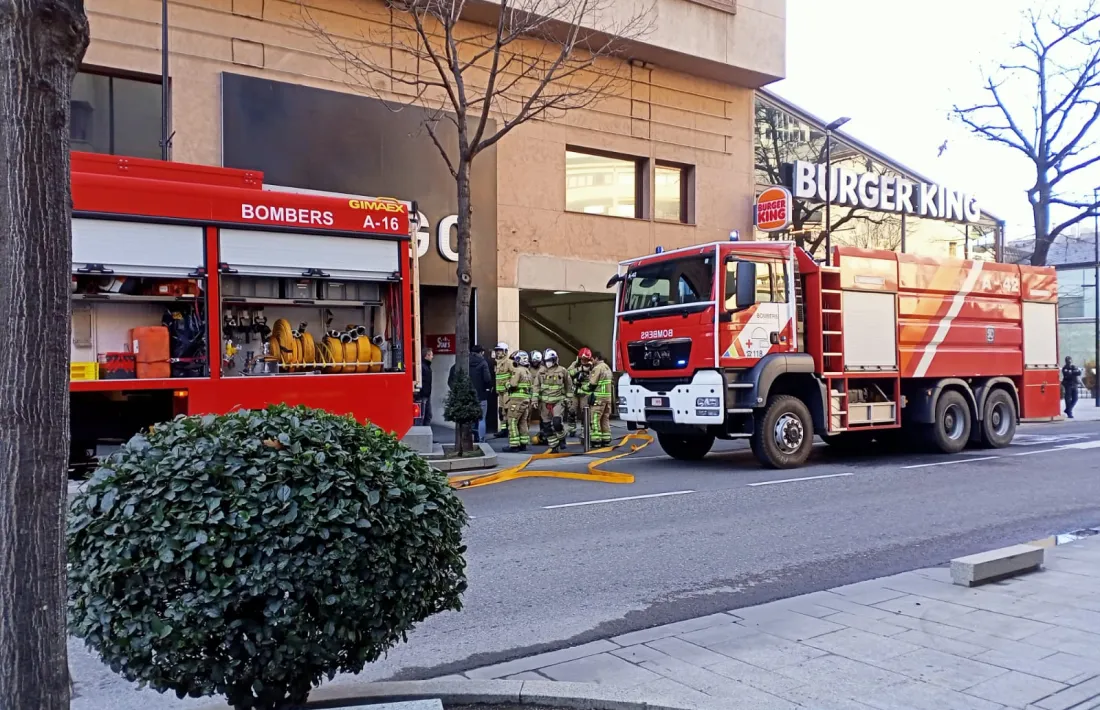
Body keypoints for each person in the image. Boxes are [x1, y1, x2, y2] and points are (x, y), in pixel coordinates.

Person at [448, 345, 493, 441]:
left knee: (467, 418)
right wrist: (488, 388)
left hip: (466, 396)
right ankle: (481, 439)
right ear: (481, 352)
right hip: (481, 395)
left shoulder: (462, 361)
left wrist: (457, 391)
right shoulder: (483, 362)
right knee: (481, 419)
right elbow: (487, 379)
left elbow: (451, 379)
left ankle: (467, 439)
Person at [538, 348, 573, 453]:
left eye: (549, 360)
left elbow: (569, 385)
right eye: (546, 361)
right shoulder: (541, 372)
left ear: (554, 360)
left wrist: (569, 398)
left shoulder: (562, 371)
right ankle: (554, 446)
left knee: (557, 422)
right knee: (547, 427)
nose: (548, 363)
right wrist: (535, 400)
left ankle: (562, 438)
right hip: (545, 403)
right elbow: (536, 386)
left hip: (558, 401)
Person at [505, 350, 533, 452]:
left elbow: (513, 384)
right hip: (526, 400)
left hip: (516, 401)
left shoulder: (517, 371)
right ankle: (523, 443)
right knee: (523, 422)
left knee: (512, 421)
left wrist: (506, 384)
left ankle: (514, 445)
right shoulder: (528, 371)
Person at [586, 350, 614, 449]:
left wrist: (583, 387)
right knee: (605, 419)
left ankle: (596, 441)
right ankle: (606, 440)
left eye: (592, 359)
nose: (591, 361)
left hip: (599, 398)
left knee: (595, 419)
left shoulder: (597, 368)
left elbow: (592, 384)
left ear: (596, 358)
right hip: (607, 398)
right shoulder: (607, 367)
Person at [567, 348, 593, 439]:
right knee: (572, 410)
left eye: (586, 360)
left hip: (585, 393)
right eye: (582, 359)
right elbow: (568, 373)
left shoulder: (592, 367)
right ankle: (571, 429)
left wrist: (588, 370)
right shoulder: (575, 364)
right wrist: (580, 369)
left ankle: (584, 430)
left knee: (584, 412)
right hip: (574, 392)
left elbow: (593, 379)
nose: (584, 361)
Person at [492, 342, 512, 438]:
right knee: (501, 412)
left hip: (507, 392)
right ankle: (503, 430)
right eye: (497, 351)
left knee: (508, 411)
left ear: (505, 351)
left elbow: (515, 375)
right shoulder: (497, 363)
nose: (498, 352)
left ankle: (509, 430)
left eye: (500, 350)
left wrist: (509, 385)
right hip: (500, 393)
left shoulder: (509, 363)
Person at [528, 350, 544, 444]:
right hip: (529, 396)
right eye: (533, 361)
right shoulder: (528, 369)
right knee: (526, 416)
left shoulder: (543, 369)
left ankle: (543, 433)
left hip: (541, 396)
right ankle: (524, 435)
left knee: (543, 416)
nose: (535, 363)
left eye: (536, 361)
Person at [419, 347, 434, 425]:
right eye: (431, 355)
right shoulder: (423, 367)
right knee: (423, 415)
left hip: (426, 394)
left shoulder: (426, 366)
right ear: (426, 355)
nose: (432, 357)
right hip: (423, 394)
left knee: (427, 415)